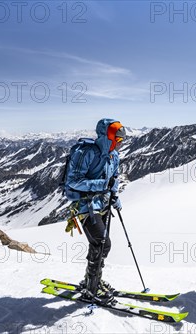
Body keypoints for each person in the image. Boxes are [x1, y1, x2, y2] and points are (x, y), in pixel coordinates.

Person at [65, 118, 125, 303]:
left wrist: (114, 196)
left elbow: (113, 177)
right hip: (85, 206)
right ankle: (92, 288)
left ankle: (93, 281)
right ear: (108, 136)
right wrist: (102, 184)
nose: (120, 144)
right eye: (118, 139)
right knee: (102, 243)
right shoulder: (86, 153)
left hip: (103, 204)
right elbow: (73, 181)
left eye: (122, 140)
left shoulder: (114, 156)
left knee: (98, 244)